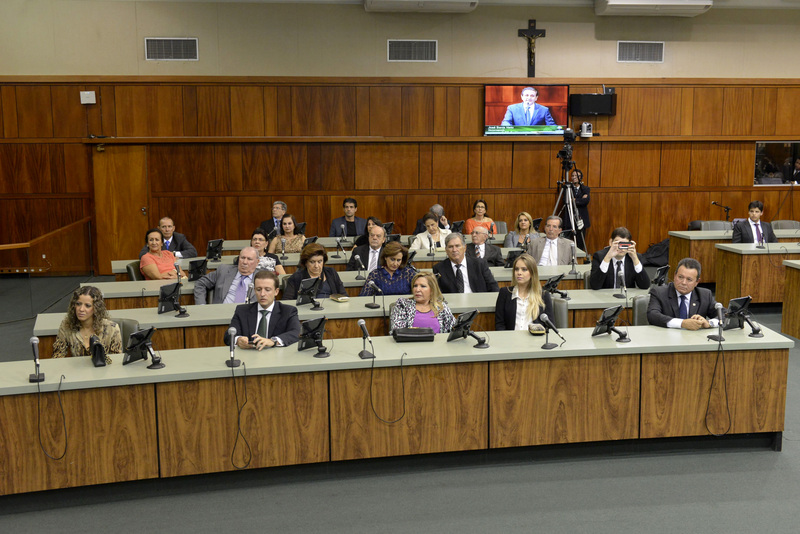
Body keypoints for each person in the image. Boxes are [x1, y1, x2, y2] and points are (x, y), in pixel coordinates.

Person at [223, 270, 301, 350]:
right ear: (254, 290)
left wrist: (273, 341)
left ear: (276, 291)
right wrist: (238, 340)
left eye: (267, 290)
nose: (262, 294)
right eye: (258, 289)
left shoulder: (288, 311)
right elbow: (228, 335)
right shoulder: (242, 311)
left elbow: (296, 333)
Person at [647, 258, 720, 330]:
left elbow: (724, 315)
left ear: (697, 282)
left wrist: (709, 323)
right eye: (680, 277)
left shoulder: (704, 295)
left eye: (689, 279)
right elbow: (652, 315)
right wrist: (682, 323)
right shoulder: (659, 292)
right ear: (675, 276)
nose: (683, 282)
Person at [53, 286, 121, 363]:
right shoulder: (67, 326)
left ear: (96, 308)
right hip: (78, 369)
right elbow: (57, 356)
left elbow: (117, 361)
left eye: (87, 306)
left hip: (104, 369)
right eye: (78, 304)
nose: (81, 309)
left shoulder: (112, 328)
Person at [495, 253, 554, 331]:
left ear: (532, 273)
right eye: (516, 269)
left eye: (524, 269)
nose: (519, 273)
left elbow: (549, 326)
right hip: (511, 337)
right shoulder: (505, 293)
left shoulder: (543, 295)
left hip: (535, 337)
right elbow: (500, 324)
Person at [389, 272, 455, 334]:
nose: (417, 290)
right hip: (409, 342)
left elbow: (454, 329)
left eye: (423, 286)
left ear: (432, 290)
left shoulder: (441, 307)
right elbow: (397, 332)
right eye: (415, 286)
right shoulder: (403, 305)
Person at [433, 233, 500, 294]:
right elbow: (437, 293)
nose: (454, 250)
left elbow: (493, 286)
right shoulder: (439, 268)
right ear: (446, 250)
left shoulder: (479, 264)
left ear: (464, 248)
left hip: (478, 300)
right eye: (450, 247)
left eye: (457, 246)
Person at [194, 247, 260, 305]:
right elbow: (200, 283)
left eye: (249, 259)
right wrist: (201, 305)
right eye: (242, 258)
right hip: (221, 312)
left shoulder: (262, 278)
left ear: (257, 262)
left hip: (248, 314)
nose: (245, 262)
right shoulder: (223, 271)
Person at [561, 169, 591, 252]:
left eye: (576, 176)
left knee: (580, 242)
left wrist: (574, 200)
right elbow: (566, 200)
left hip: (581, 218)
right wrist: (580, 199)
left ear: (580, 177)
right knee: (566, 240)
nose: (574, 177)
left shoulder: (585, 189)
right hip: (569, 218)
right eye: (572, 176)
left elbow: (586, 201)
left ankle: (579, 256)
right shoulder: (567, 188)